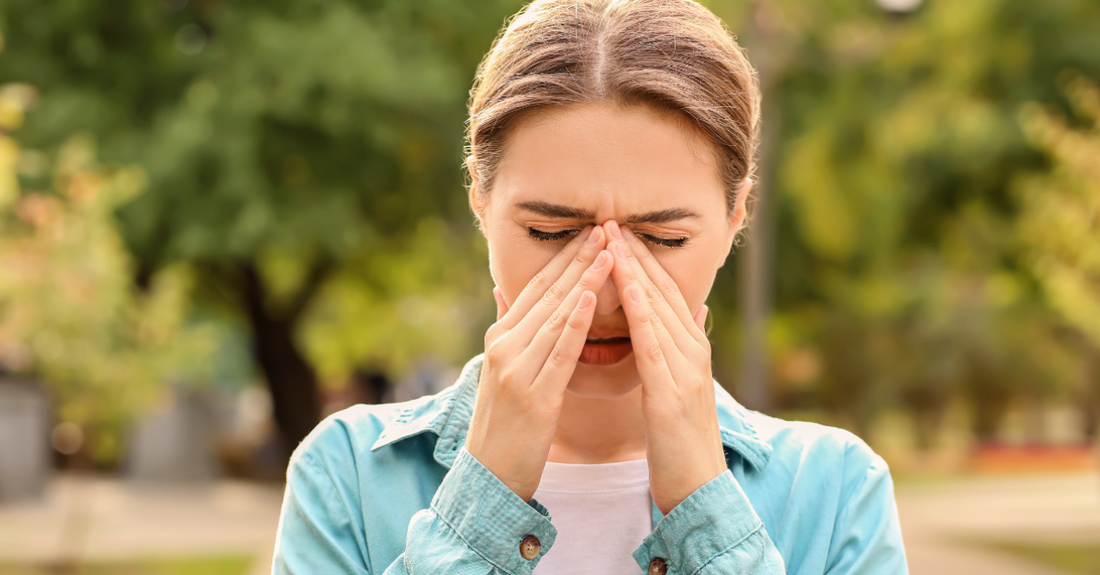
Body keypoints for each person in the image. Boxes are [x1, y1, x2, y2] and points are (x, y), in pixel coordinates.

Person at [271, 0, 908, 573]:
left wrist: (706, 510)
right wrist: (479, 505)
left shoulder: (835, 492)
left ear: (735, 215)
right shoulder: (349, 475)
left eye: (663, 239)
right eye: (551, 232)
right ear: (481, 204)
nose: (606, 289)